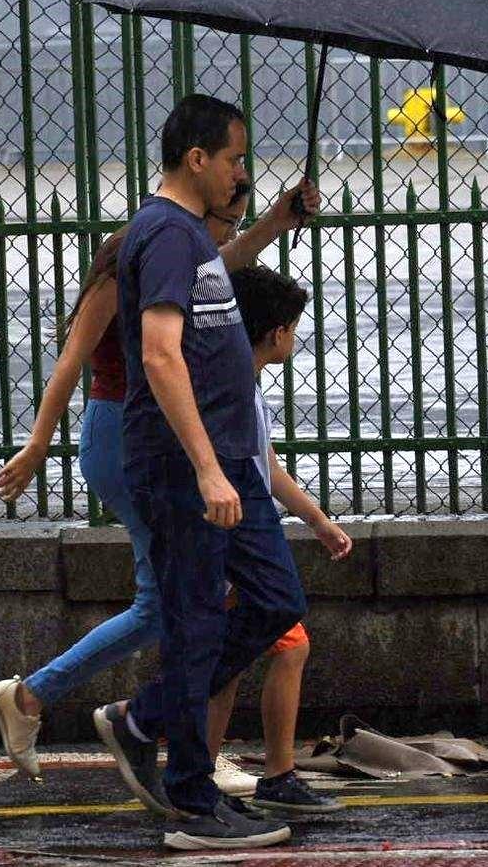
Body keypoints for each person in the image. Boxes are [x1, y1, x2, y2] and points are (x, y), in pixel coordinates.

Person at [0, 138, 320, 788]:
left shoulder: (182, 248)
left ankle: (86, 711)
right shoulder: (126, 261)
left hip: (149, 439)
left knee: (179, 601)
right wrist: (36, 444)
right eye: (227, 212)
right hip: (120, 437)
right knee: (176, 603)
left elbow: (226, 262)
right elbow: (70, 361)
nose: (227, 231)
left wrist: (276, 224)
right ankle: (122, 722)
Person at [93, 94, 311, 850]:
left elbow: (214, 278)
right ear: (197, 160)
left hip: (228, 465)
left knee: (277, 597)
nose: (241, 171)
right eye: (235, 158)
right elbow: (158, 353)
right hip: (191, 468)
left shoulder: (187, 237)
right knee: (195, 623)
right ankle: (191, 801)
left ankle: (144, 718)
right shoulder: (159, 231)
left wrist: (273, 225)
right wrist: (208, 470)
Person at [205, 264, 349, 816]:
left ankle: (221, 772)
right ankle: (265, 773)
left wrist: (314, 518)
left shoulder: (242, 386)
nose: (294, 336)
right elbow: (253, 466)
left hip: (239, 537)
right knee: (256, 652)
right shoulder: (239, 390)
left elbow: (264, 464)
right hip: (236, 541)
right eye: (292, 326)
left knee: (247, 654)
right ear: (275, 333)